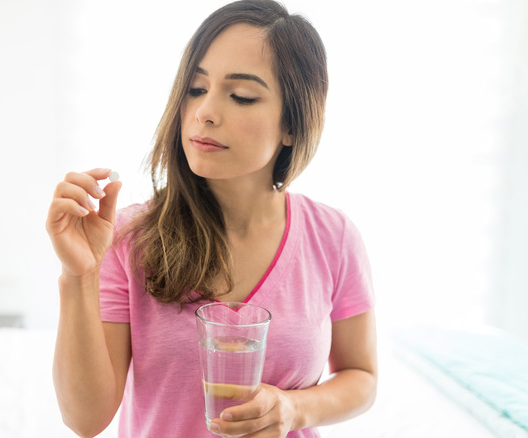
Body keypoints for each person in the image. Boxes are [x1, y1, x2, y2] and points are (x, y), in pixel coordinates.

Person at [46, 1, 377, 436]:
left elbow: (362, 378)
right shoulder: (127, 238)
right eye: (196, 89)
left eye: (241, 96)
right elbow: (85, 420)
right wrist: (78, 277)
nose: (205, 112)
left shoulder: (333, 238)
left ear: (292, 124)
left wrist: (294, 408)